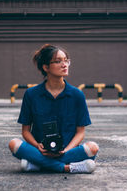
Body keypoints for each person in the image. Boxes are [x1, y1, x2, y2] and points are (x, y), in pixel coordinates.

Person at [8, 44, 99, 173]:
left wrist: (66, 150)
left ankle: (38, 164)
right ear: (46, 67)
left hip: (67, 151)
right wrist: (37, 146)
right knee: (14, 144)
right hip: (40, 150)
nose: (64, 64)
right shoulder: (31, 94)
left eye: (66, 60)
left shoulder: (77, 95)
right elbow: (26, 131)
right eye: (58, 61)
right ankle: (67, 168)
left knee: (93, 148)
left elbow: (80, 132)